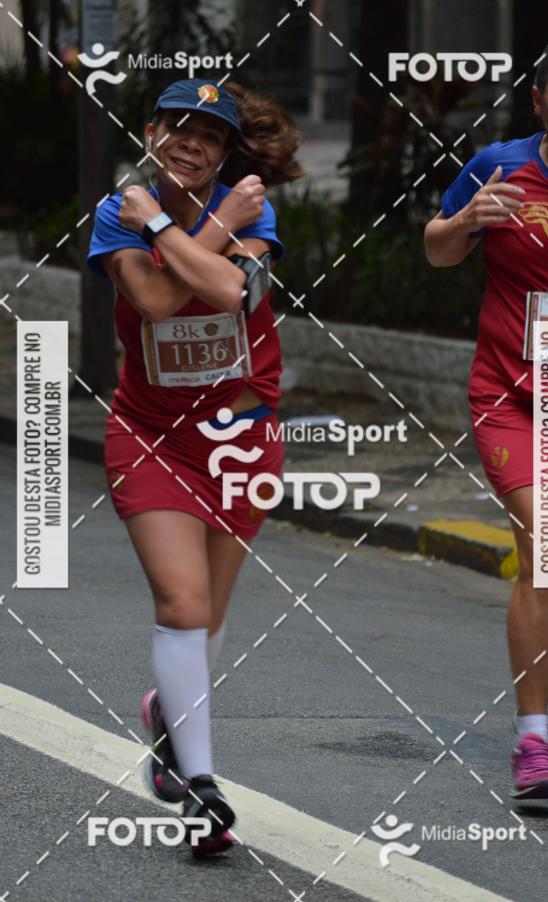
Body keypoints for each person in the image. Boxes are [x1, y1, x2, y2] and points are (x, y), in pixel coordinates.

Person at [87, 77, 302, 852]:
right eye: (178, 129)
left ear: (224, 151)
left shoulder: (253, 208)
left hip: (242, 433)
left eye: (208, 135)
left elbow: (224, 291)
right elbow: (150, 300)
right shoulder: (118, 213)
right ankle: (201, 786)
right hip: (148, 433)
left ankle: (165, 715)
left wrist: (179, 230)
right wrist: (197, 228)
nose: (192, 144)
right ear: (152, 133)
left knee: (208, 613)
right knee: (183, 605)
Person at [424, 23, 548, 798]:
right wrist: (467, 220)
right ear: (538, 100)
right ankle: (531, 741)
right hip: (515, 394)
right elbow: (436, 249)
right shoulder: (499, 167)